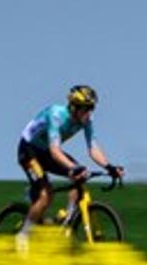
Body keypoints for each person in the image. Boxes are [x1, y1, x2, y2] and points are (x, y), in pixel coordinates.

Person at [16, 85, 117, 227]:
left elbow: (92, 147)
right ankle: (22, 236)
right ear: (74, 107)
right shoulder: (56, 115)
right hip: (29, 150)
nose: (89, 113)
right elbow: (55, 151)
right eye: (85, 108)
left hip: (46, 151)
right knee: (45, 196)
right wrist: (74, 167)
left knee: (79, 178)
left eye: (91, 109)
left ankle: (68, 219)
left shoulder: (86, 120)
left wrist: (109, 166)